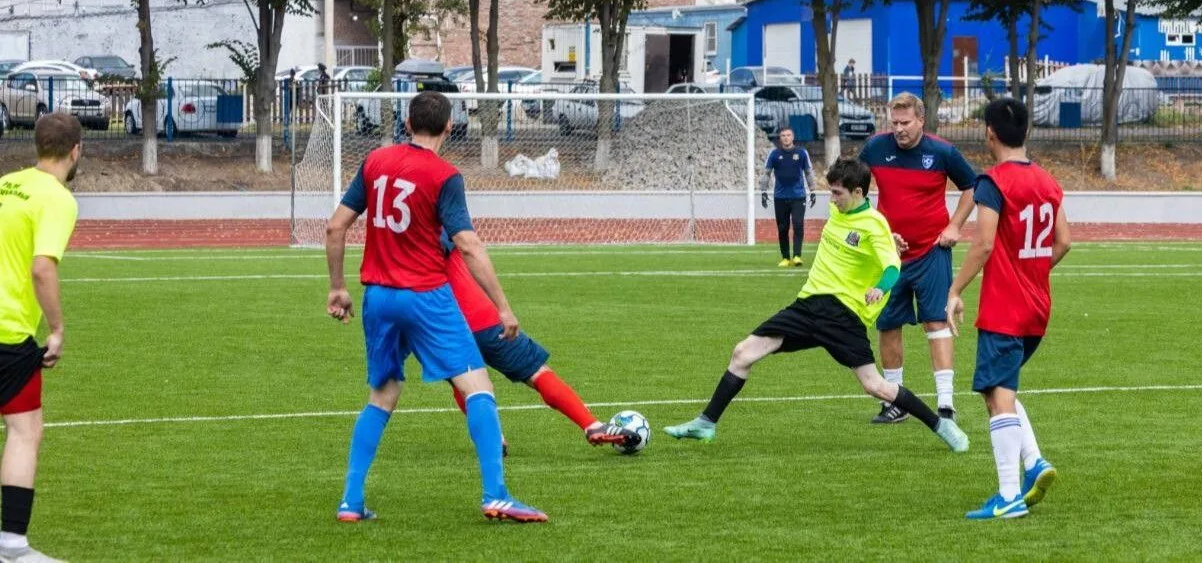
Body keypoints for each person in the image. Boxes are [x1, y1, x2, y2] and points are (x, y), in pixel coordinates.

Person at [324, 91, 546, 523]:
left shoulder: (375, 162)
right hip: (426, 296)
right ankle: (496, 494)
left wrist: (337, 287)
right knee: (479, 389)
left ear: (407, 123)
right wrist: (503, 307)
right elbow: (467, 244)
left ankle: (350, 501)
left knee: (381, 397)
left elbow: (335, 227)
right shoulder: (445, 175)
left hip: (379, 298)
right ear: (450, 127)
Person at [663, 158, 968, 454]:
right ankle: (706, 423)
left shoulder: (874, 225)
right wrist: (890, 237)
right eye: (830, 191)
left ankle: (941, 426)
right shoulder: (843, 214)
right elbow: (867, 235)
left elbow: (891, 266)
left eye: (837, 193)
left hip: (842, 316)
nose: (831, 199)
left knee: (876, 386)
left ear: (858, 193)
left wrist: (880, 286)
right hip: (807, 306)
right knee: (743, 352)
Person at [946, 98, 1068, 520]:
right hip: (1037, 307)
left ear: (989, 133)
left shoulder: (993, 183)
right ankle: (1034, 461)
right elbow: (1064, 242)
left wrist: (954, 290)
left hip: (1005, 309)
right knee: (1001, 389)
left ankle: (1009, 495)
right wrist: (1031, 271)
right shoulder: (1048, 182)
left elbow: (982, 243)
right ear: (1027, 133)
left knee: (997, 396)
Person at [441, 250, 642, 451]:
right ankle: (592, 425)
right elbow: (469, 247)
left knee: (464, 385)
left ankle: (493, 439)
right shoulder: (437, 221)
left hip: (441, 324)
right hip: (481, 316)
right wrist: (503, 307)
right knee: (536, 372)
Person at [859, 92, 976, 424]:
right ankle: (894, 402)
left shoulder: (941, 152)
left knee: (936, 322)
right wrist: (876, 233)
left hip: (931, 252)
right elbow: (857, 190)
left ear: (921, 120)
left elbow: (972, 187)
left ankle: (946, 404)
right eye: (894, 123)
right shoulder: (875, 148)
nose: (898, 129)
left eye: (905, 123)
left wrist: (955, 225)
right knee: (888, 323)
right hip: (890, 256)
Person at [0, 113, 81, 563]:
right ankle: (11, 544)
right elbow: (41, 266)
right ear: (75, 150)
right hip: (8, 332)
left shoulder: (6, 183)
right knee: (24, 430)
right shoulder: (58, 198)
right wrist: (57, 329)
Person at [759, 127, 817, 267]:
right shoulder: (774, 154)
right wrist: (763, 191)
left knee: (798, 225)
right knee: (783, 227)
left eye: (788, 135)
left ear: (793, 137)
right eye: (783, 135)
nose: (786, 138)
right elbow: (766, 173)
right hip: (780, 197)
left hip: (798, 196)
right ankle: (785, 258)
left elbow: (808, 172)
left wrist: (813, 191)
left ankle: (797, 256)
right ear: (780, 138)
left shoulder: (802, 153)